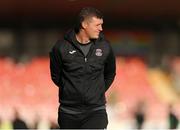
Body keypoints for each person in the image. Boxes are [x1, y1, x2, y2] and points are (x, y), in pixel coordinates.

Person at [49, 7, 116, 129]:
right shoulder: (61, 47)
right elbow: (56, 76)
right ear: (84, 24)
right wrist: (70, 90)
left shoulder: (105, 46)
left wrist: (96, 91)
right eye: (97, 25)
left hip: (96, 111)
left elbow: (110, 73)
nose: (101, 29)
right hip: (68, 113)